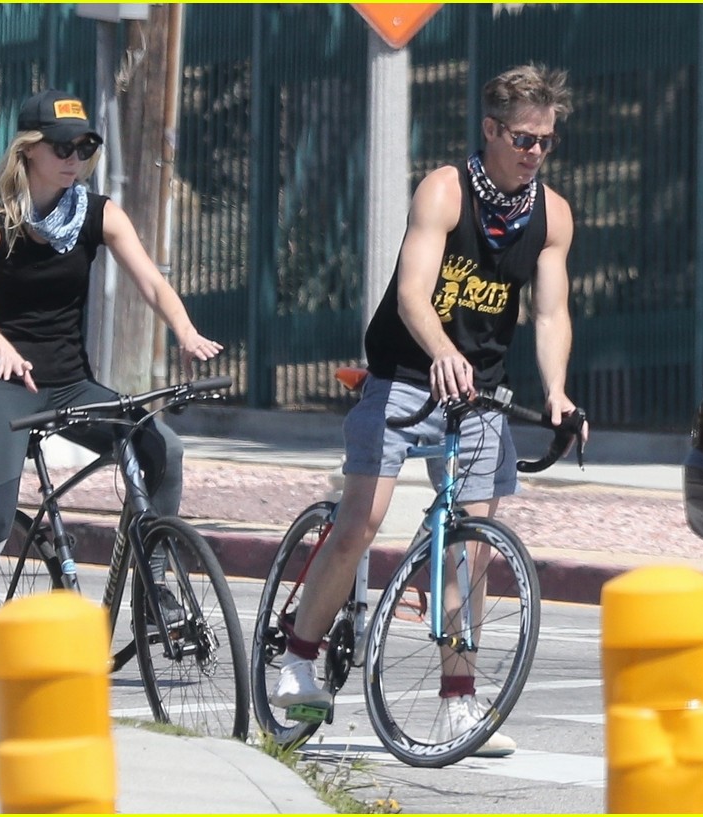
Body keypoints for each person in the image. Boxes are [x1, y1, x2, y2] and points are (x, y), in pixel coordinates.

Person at [269, 64, 588, 756]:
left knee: (471, 546)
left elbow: (551, 312)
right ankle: (298, 658)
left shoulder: (552, 215)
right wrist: (442, 350)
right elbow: (414, 293)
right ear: (491, 130)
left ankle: (457, 702)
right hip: (407, 371)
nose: (535, 152)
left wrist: (558, 390)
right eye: (524, 139)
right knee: (362, 521)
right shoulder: (444, 190)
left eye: (547, 141)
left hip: (481, 390)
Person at [0, 89, 222, 709]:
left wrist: (184, 330)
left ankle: (155, 593)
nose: (74, 158)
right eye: (62, 147)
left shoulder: (97, 214)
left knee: (162, 449)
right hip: (5, 385)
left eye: (85, 147)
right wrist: (3, 349)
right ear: (29, 151)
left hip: (71, 381)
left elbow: (151, 281)